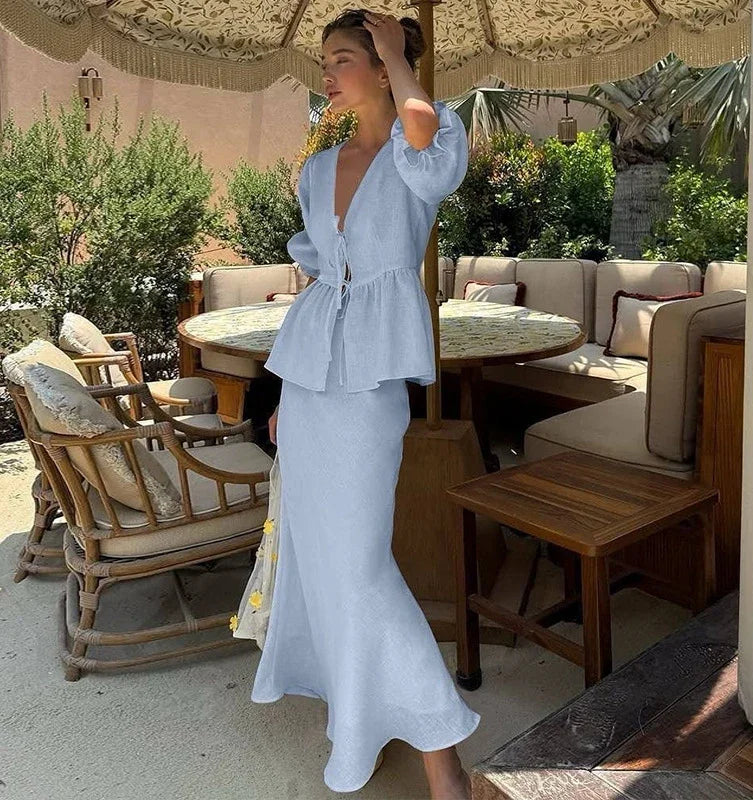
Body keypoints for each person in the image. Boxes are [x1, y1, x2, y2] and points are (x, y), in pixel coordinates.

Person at [250, 8, 480, 797]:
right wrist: (282, 388)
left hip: (374, 384)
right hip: (311, 381)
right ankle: (358, 721)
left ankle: (443, 754)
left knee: (358, 566)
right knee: (324, 558)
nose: (326, 72)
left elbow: (423, 132)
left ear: (382, 64)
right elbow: (316, 281)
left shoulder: (424, 149)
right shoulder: (317, 170)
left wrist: (393, 49)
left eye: (342, 58)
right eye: (325, 60)